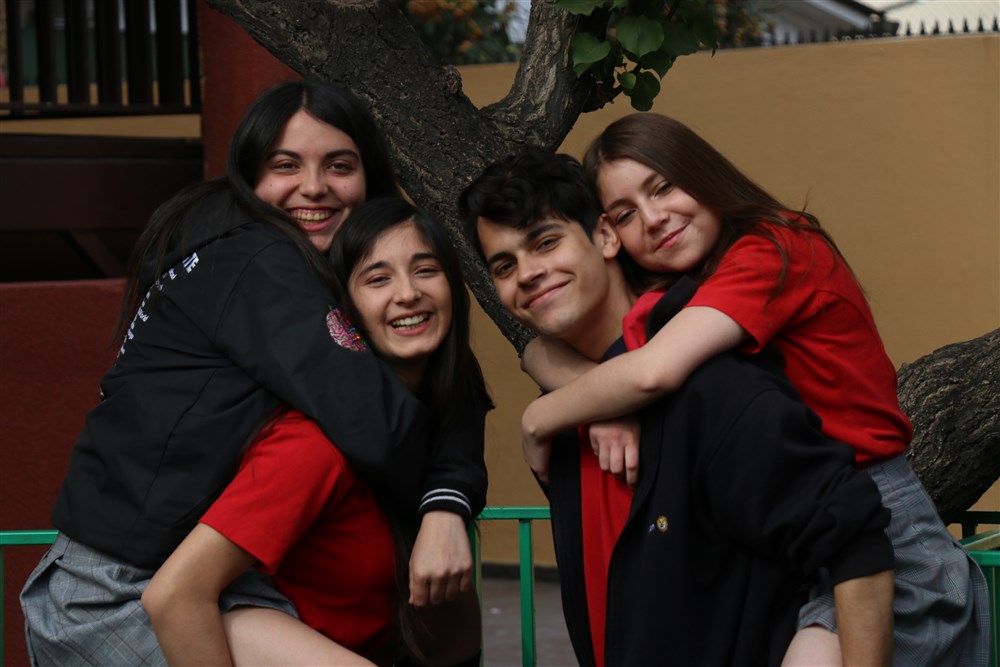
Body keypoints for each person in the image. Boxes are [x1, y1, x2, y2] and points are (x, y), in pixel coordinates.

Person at [20, 80, 486, 667]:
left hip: (206, 581)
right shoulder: (255, 257)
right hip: (114, 588)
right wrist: (444, 505)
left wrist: (447, 493)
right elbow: (379, 416)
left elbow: (442, 380)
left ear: (369, 176)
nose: (313, 186)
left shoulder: (289, 265)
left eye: (339, 165)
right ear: (247, 175)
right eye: (284, 165)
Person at [513, 114, 991, 666]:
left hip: (881, 530)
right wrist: (603, 405)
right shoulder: (687, 291)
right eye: (625, 214)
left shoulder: (775, 248)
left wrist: (542, 417)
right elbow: (545, 349)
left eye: (663, 187)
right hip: (790, 539)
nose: (653, 218)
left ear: (701, 171)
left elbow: (651, 374)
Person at [458, 147, 896, 667]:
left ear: (605, 236)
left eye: (546, 242)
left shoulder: (711, 386)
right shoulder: (567, 415)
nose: (528, 273)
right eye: (504, 266)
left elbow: (855, 541)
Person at [143, 197, 490, 667]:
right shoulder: (313, 443)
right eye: (378, 279)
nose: (408, 293)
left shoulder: (442, 421)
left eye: (426, 270)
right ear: (342, 310)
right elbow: (174, 595)